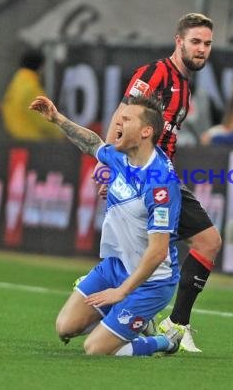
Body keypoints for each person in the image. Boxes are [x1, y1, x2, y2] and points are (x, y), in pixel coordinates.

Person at [99, 13, 221, 352]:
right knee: (205, 242)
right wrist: (110, 168)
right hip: (145, 177)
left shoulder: (184, 85)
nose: (201, 49)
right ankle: (174, 326)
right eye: (195, 42)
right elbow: (121, 118)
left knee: (196, 245)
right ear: (178, 41)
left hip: (161, 177)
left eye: (207, 44)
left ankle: (170, 323)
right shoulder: (155, 74)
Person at [29, 94, 184, 356]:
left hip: (151, 282)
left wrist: (121, 292)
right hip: (115, 266)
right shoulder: (122, 155)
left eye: (127, 119)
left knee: (95, 349)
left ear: (146, 131)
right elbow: (93, 145)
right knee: (64, 327)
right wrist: (58, 119)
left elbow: (158, 252)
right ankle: (135, 322)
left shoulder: (160, 183)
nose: (119, 121)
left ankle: (166, 341)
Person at [2, 49, 62, 140]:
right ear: (41, 67)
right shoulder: (32, 88)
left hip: (15, 137)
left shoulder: (16, 82)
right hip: (32, 140)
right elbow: (43, 119)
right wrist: (60, 134)